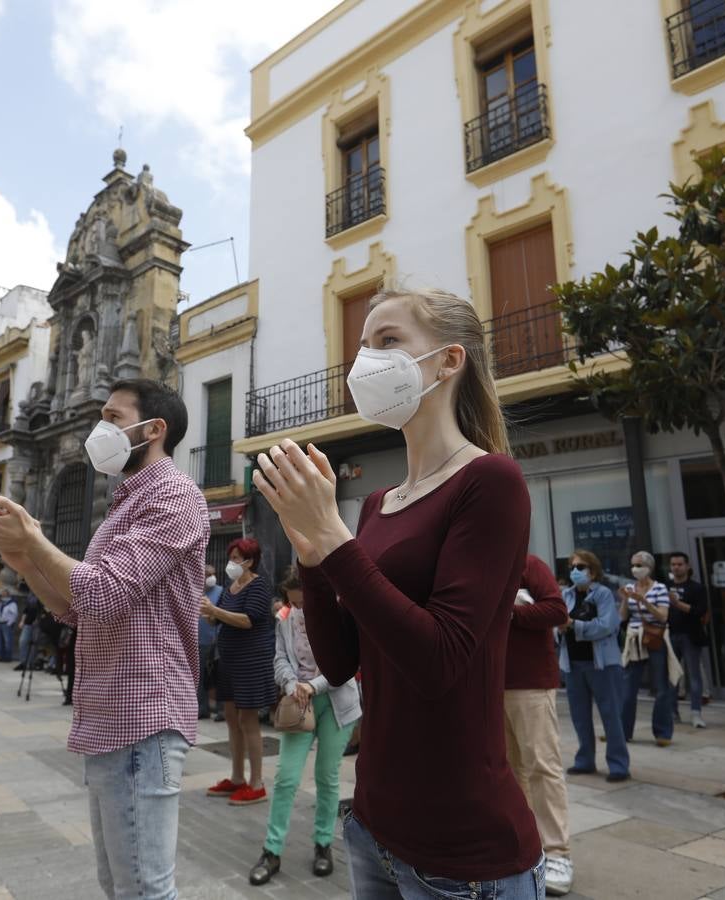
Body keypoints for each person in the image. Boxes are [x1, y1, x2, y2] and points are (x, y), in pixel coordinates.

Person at [252, 288, 545, 897]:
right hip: (374, 828)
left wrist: (333, 536)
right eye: (363, 345)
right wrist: (311, 556)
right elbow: (341, 662)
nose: (367, 360)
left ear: (448, 361)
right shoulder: (381, 504)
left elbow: (438, 661)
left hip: (462, 848)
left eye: (388, 342)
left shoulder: (491, 480)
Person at [0, 378, 207, 900]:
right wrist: (24, 561)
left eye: (113, 416)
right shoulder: (123, 505)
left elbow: (102, 595)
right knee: (120, 884)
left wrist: (36, 540)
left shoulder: (174, 495)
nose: (101, 428)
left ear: (154, 429)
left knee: (143, 888)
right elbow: (73, 609)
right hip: (108, 716)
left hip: (144, 718)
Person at [248, 567, 361, 886]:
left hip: (336, 703)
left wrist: (314, 686)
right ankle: (271, 850)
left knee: (327, 776)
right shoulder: (285, 618)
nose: (299, 609)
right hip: (298, 702)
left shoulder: (339, 613)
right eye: (295, 603)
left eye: (304, 604)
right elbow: (280, 658)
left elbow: (348, 661)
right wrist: (291, 686)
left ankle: (323, 843)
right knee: (286, 777)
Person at [506, 555, 575, 895]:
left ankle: (557, 851)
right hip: (490, 687)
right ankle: (526, 844)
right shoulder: (473, 565)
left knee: (542, 767)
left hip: (531, 684)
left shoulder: (529, 565)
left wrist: (510, 611)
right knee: (510, 770)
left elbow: (557, 611)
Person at [202, 539, 276, 806]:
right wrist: (208, 613)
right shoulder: (230, 587)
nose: (232, 562)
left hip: (250, 661)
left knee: (248, 719)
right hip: (228, 660)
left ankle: (257, 783)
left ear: (250, 560)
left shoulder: (258, 585)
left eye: (237, 557)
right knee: (232, 718)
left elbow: (248, 620)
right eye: (231, 556)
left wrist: (216, 611)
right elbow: (217, 617)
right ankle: (236, 777)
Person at [560, 550, 630, 784]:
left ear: (593, 570)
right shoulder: (566, 595)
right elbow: (556, 624)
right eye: (572, 567)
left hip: (602, 665)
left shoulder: (603, 595)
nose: (575, 572)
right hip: (573, 664)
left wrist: (573, 625)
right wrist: (558, 628)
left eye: (580, 567)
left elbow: (607, 626)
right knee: (579, 716)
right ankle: (585, 760)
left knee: (611, 716)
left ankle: (618, 765)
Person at [619, 550, 679, 746]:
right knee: (628, 687)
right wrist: (624, 600)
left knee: (661, 687)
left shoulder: (660, 588)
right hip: (635, 638)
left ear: (649, 567)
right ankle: (623, 730)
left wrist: (643, 600)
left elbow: (663, 616)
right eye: (633, 565)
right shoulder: (630, 587)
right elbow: (622, 617)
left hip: (655, 638)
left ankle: (662, 732)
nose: (635, 569)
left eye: (639, 565)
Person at [667, 552, 709, 729]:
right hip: (670, 634)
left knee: (694, 675)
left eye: (679, 564)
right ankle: (672, 712)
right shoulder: (665, 586)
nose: (676, 567)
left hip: (690, 635)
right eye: (673, 564)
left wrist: (678, 604)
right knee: (672, 676)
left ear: (687, 566)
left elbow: (700, 611)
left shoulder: (696, 588)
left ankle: (696, 712)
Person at [197, 565, 221, 720]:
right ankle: (202, 708)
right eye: (208, 574)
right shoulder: (197, 590)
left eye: (213, 574)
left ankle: (221, 709)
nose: (211, 577)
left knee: (218, 676)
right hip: (199, 641)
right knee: (200, 677)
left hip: (216, 641)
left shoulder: (220, 591)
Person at [0, 589, 20, 662]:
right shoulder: (1, 603)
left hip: (7, 624)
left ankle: (8, 657)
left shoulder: (12, 603)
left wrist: (9, 623)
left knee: (8, 641)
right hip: (0, 623)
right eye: (2, 594)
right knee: (0, 641)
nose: (2, 595)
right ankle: (1, 656)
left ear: (8, 595)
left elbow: (14, 614)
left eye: (4, 594)